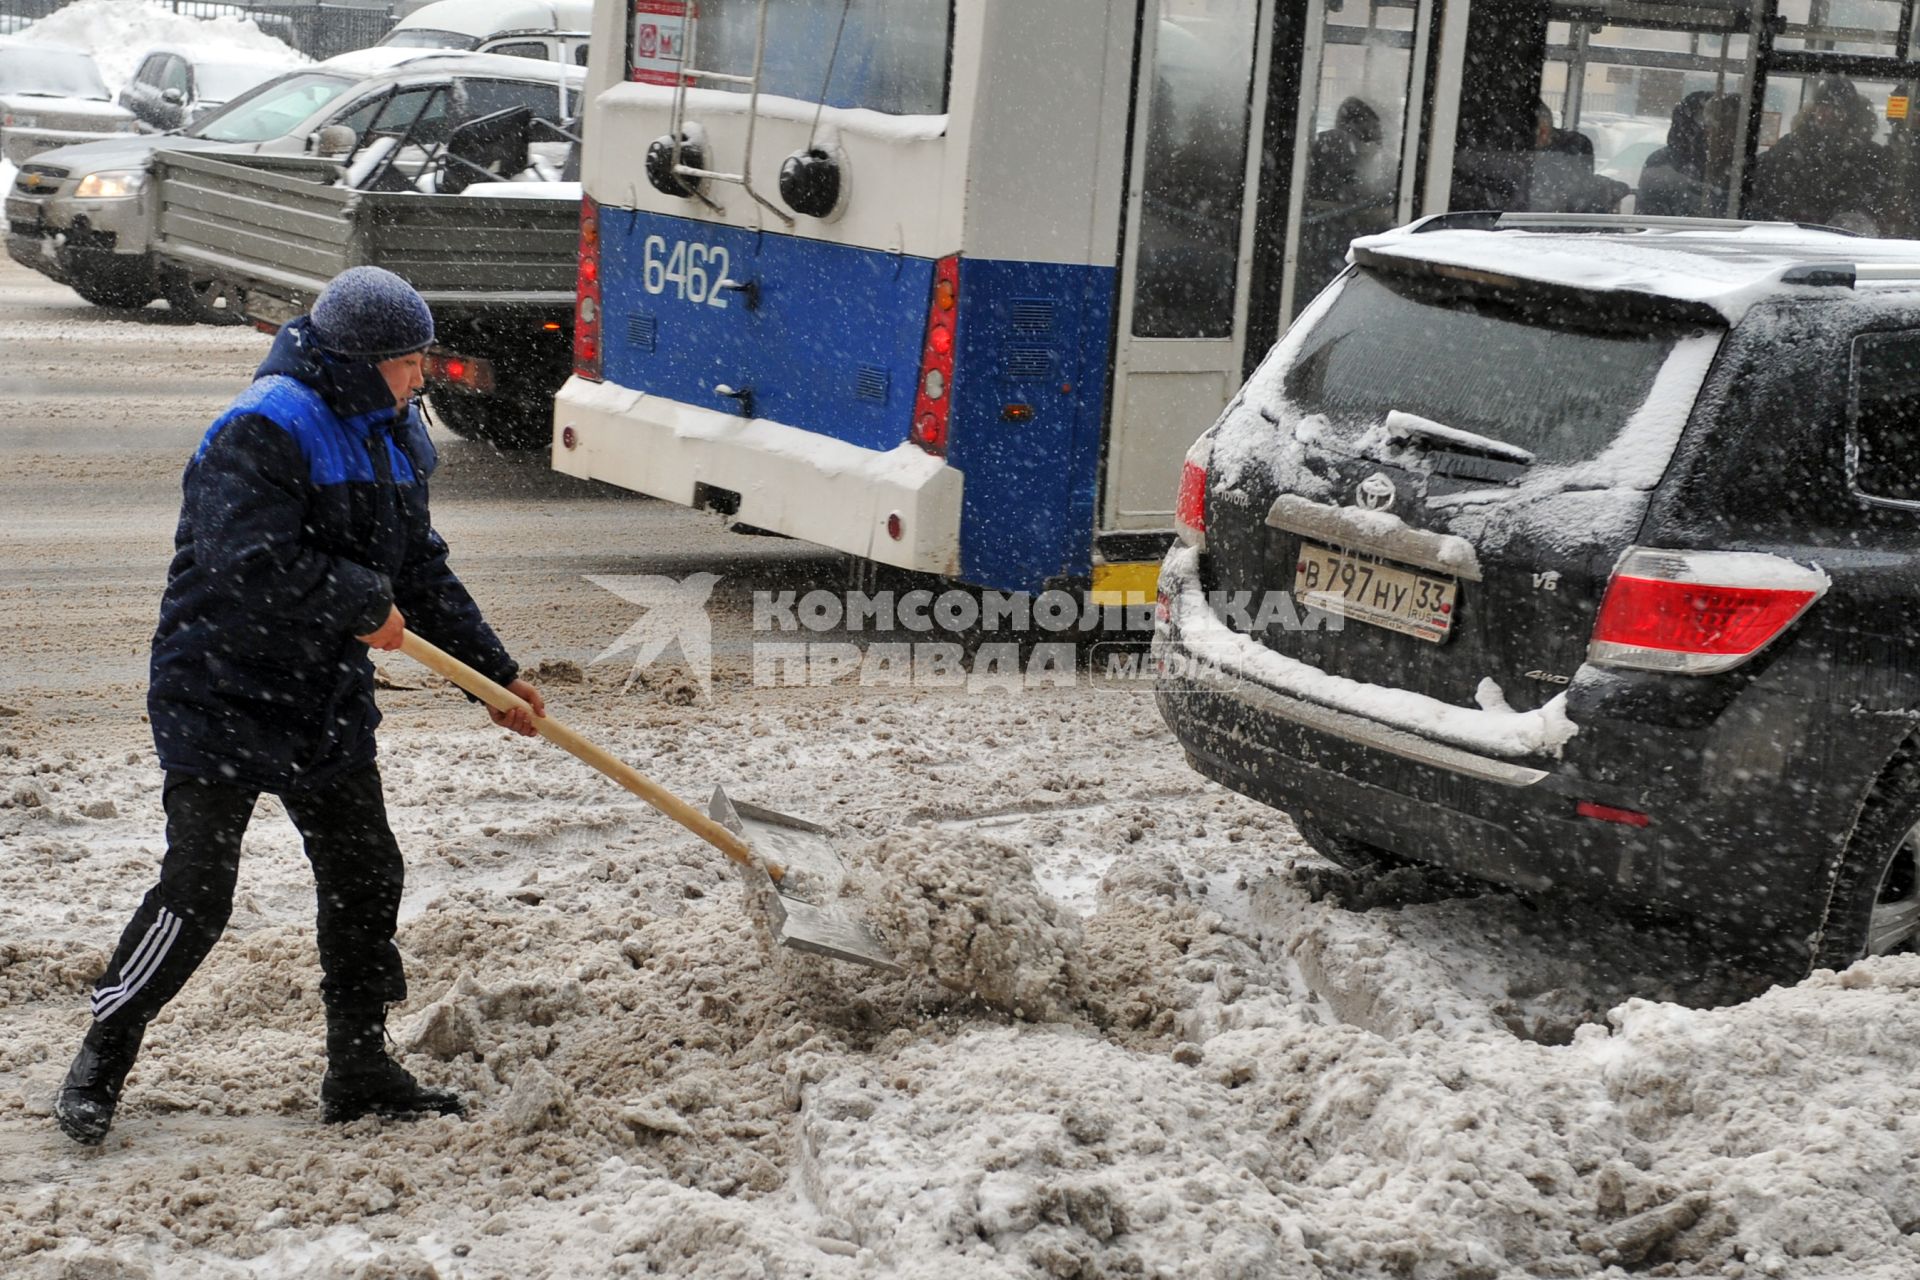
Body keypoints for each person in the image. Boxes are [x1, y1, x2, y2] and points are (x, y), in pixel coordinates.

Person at [53, 266, 547, 1146]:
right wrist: (361, 598)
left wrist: (493, 675)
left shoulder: (393, 432)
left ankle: (358, 1067)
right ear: (361, 362)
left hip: (321, 694)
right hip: (222, 688)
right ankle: (101, 1054)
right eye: (409, 361)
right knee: (198, 891)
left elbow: (419, 568)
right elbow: (244, 558)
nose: (422, 376)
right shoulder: (264, 426)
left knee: (365, 874)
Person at [1750, 76, 1892, 233]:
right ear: (1814, 110)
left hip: (1843, 239)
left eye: (1838, 108)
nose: (1829, 114)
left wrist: (1850, 217)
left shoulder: (1870, 155)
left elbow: (1877, 201)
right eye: (1823, 106)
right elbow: (1761, 183)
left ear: (1850, 115)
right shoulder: (1789, 146)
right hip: (1790, 233)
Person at [1638, 91, 1741, 217]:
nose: (1729, 136)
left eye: (1733, 128)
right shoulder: (1662, 164)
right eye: (1720, 127)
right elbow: (1649, 223)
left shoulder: (1742, 165)